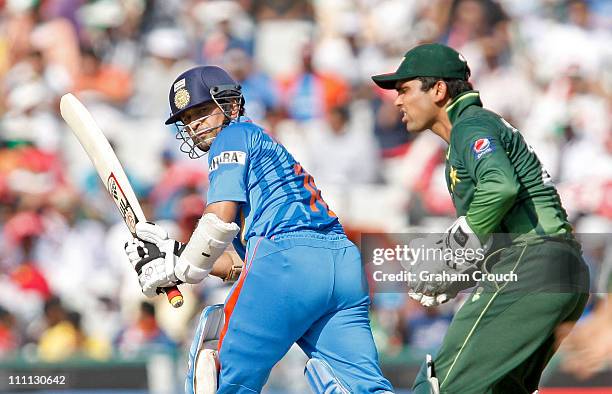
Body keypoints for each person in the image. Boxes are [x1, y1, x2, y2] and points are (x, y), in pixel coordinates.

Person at [125, 65, 393, 394]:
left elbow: (218, 221)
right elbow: (241, 266)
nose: (194, 124)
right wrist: (175, 254)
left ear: (231, 106)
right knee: (363, 388)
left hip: (286, 261)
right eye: (187, 118)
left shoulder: (232, 136)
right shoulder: (265, 154)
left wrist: (182, 267)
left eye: (202, 111)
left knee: (217, 373)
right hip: (342, 266)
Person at [371, 43, 590, 393]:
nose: (397, 101)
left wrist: (455, 247)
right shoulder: (471, 131)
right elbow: (499, 227)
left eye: (405, 89)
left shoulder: (470, 125)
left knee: (440, 386)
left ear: (439, 90)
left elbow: (501, 186)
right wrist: (459, 273)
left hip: (533, 264)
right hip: (559, 269)